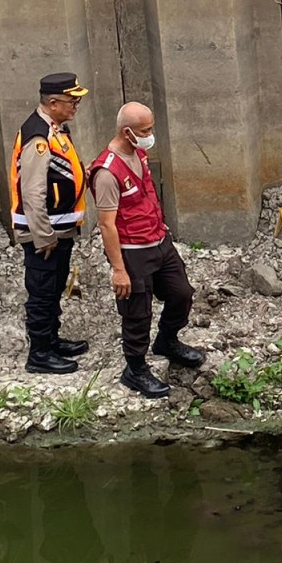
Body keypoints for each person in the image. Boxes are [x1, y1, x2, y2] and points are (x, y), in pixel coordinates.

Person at [88, 101, 203, 398]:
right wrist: (119, 269)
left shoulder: (139, 153)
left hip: (158, 241)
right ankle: (135, 369)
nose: (151, 135)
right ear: (127, 132)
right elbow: (106, 224)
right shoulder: (107, 172)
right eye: (146, 130)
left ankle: (167, 340)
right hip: (132, 251)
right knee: (137, 313)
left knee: (181, 294)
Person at [10, 73, 90, 375]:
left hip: (60, 227)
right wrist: (43, 236)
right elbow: (32, 192)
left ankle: (52, 340)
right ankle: (39, 354)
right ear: (53, 102)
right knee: (42, 292)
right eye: (73, 101)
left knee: (55, 286)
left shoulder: (54, 129)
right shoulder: (38, 137)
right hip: (43, 233)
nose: (76, 106)